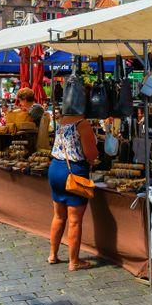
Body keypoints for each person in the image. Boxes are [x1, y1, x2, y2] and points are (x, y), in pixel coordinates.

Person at [47, 105, 99, 271]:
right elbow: (91, 154)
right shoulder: (82, 124)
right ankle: (74, 261)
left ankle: (53, 255)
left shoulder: (62, 121)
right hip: (73, 172)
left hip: (55, 168)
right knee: (75, 220)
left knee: (59, 216)